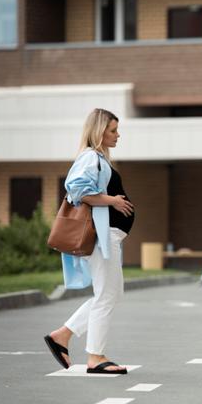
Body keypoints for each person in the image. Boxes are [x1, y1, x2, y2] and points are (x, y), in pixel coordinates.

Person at [43, 108, 135, 375]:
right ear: (99, 131)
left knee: (111, 294)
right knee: (106, 295)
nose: (118, 135)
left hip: (110, 236)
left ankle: (63, 335)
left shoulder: (99, 158)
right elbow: (77, 190)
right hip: (101, 237)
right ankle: (95, 357)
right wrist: (113, 201)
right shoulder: (90, 157)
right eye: (112, 130)